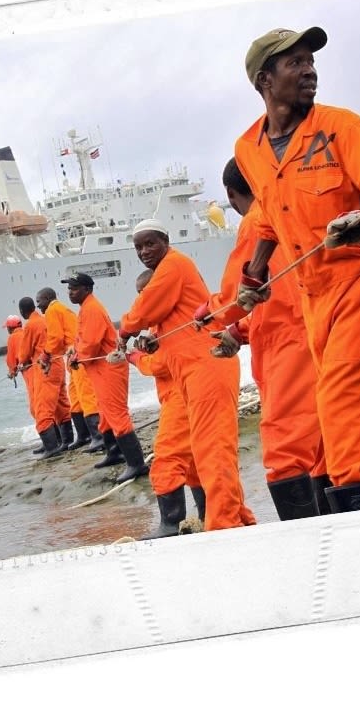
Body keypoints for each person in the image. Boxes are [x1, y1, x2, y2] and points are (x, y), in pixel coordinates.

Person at [229, 26, 360, 512]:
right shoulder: (248, 149)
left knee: (353, 421)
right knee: (331, 427)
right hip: (312, 297)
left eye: (311, 61)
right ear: (264, 80)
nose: (310, 70)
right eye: (295, 62)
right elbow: (270, 215)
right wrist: (255, 274)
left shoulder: (342, 127)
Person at [202, 158, 329, 520]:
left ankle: (302, 541)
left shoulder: (256, 220)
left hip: (288, 345)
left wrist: (208, 314)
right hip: (318, 329)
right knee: (325, 444)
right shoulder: (295, 208)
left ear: (231, 195)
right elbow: (283, 290)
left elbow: (236, 294)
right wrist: (239, 331)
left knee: (285, 451)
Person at [120, 219, 252, 531]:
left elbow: (145, 309)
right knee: (206, 452)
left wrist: (125, 333)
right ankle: (234, 518)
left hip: (206, 367)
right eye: (138, 247)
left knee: (213, 449)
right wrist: (152, 341)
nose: (144, 251)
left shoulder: (174, 264)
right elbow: (160, 316)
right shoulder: (170, 275)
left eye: (150, 243)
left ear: (166, 241)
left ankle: (223, 524)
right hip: (194, 373)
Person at [128, 269, 233, 539]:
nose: (143, 300)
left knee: (167, 457)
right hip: (183, 394)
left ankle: (170, 525)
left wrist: (136, 358)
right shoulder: (163, 322)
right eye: (140, 295)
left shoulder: (178, 319)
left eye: (145, 293)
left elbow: (161, 364)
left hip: (182, 397)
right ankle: (207, 516)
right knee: (195, 463)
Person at [65, 273, 148, 483]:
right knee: (105, 412)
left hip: (109, 368)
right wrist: (75, 351)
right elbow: (83, 339)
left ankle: (136, 463)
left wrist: (78, 356)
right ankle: (114, 452)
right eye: (69, 288)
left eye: (74, 288)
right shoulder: (86, 308)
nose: (70, 292)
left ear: (87, 289)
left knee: (116, 412)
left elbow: (91, 344)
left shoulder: (92, 309)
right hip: (99, 369)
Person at [39, 287, 97, 452]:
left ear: (47, 299)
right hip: (72, 355)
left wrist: (46, 354)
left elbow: (55, 338)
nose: (38, 306)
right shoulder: (62, 309)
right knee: (75, 396)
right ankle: (84, 435)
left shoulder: (52, 310)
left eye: (39, 301)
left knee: (85, 394)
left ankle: (98, 436)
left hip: (77, 355)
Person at [17, 296, 71, 458]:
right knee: (61, 404)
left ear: (22, 311)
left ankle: (51, 447)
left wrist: (21, 362)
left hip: (45, 368)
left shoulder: (31, 325)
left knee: (42, 408)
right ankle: (67, 441)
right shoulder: (45, 319)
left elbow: (24, 353)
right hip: (58, 364)